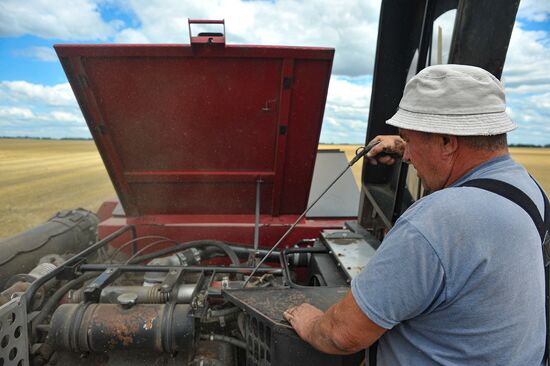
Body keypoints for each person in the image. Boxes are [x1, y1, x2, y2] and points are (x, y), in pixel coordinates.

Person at [283, 64, 546, 365]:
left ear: (447, 142)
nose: (406, 156)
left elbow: (343, 335)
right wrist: (405, 143)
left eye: (410, 139)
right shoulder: (527, 190)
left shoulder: (437, 221)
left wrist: (311, 323)